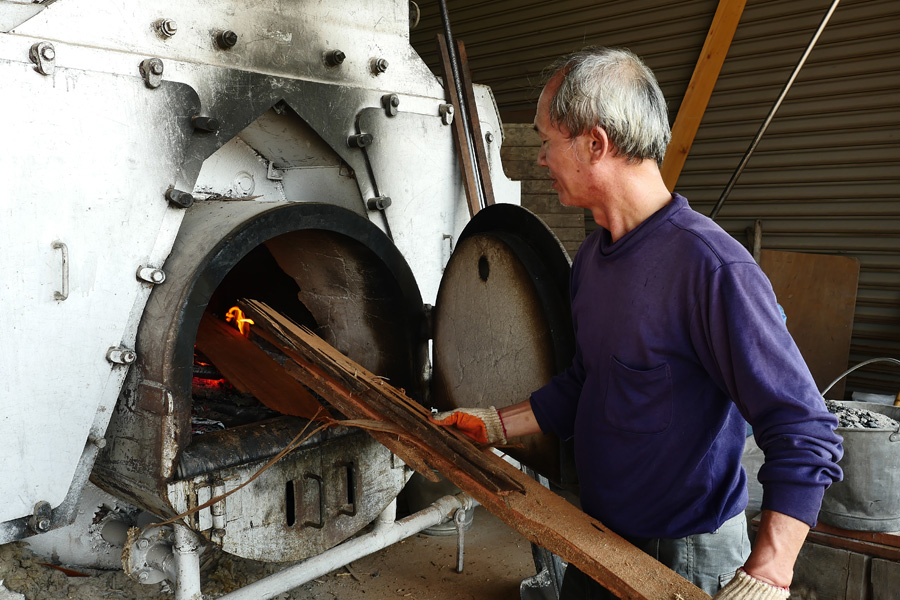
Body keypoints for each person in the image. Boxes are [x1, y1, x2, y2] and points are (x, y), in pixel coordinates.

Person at [432, 47, 843, 600]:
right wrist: (497, 425)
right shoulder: (593, 260)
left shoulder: (711, 268)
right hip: (599, 533)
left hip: (683, 551)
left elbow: (804, 428)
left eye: (547, 140)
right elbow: (589, 380)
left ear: (595, 144)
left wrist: (768, 573)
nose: (540, 160)